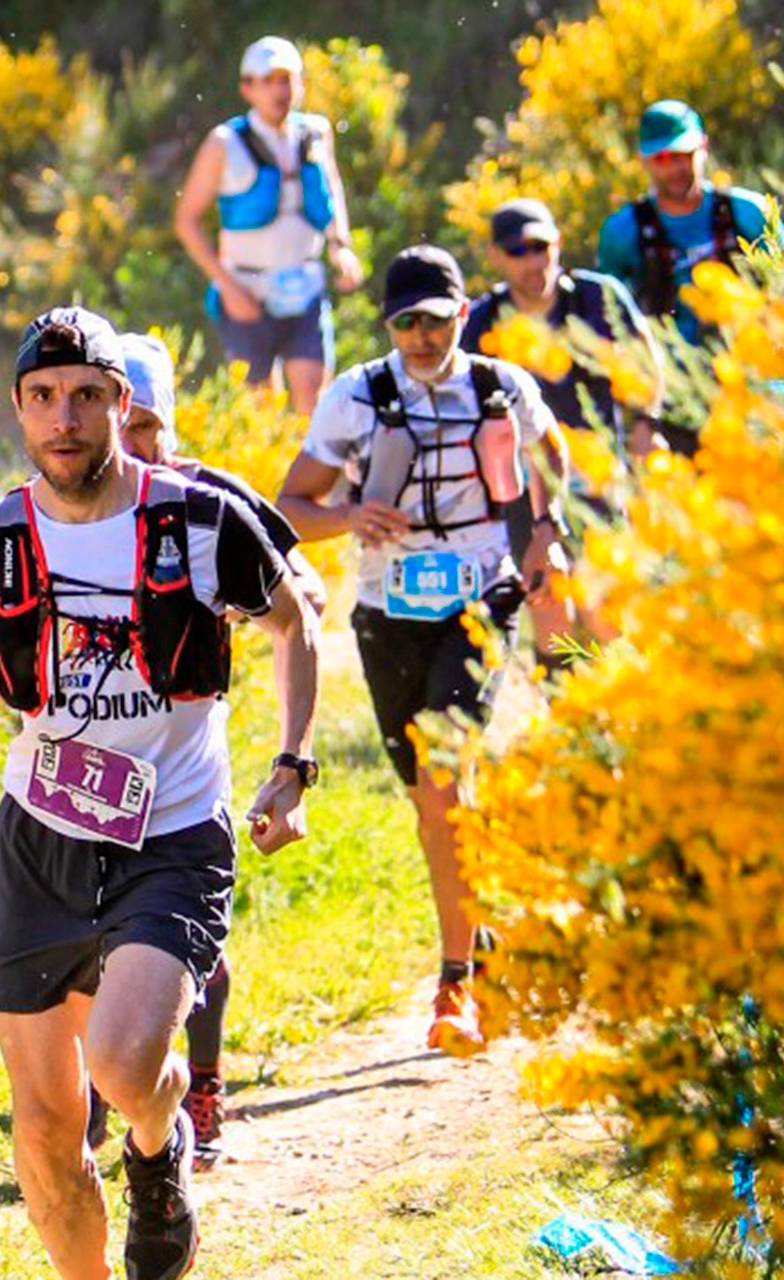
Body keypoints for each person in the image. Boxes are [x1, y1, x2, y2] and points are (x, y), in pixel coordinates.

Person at [0, 306, 320, 1280]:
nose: (65, 418)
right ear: (19, 407)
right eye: (44, 397)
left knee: (125, 1064)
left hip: (171, 833)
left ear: (120, 402)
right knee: (47, 1124)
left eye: (86, 395)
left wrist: (291, 765)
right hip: (39, 839)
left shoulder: (200, 520)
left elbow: (295, 624)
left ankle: (157, 1141)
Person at [276, 247, 564, 1057]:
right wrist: (350, 517)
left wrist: (545, 531)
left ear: (462, 314)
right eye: (406, 323)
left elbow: (551, 452)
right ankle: (484, 933)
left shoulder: (501, 388)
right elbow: (290, 505)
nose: (422, 336)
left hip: (480, 600)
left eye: (436, 320)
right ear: (389, 326)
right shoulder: (356, 396)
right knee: (428, 799)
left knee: (442, 779)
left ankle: (454, 983)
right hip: (388, 612)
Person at [109, 331, 327, 1168]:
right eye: (121, 424)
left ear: (167, 424)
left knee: (188, 933)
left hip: (187, 747)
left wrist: (249, 602)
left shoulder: (210, 497)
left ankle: (200, 1081)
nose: (131, 445)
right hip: (93, 748)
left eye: (146, 427)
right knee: (96, 937)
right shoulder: (64, 495)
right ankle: (108, 1098)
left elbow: (303, 592)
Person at [462, 198, 661, 675]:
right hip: (522, 486)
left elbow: (647, 366)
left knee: (605, 607)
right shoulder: (482, 322)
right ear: (495, 256)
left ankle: (617, 703)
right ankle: (565, 709)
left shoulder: (597, 298)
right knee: (549, 602)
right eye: (518, 251)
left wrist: (645, 426)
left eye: (541, 247)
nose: (533, 261)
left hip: (595, 475)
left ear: (558, 245)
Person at [174, 36, 364, 413]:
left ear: (301, 83)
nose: (280, 90)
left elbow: (332, 189)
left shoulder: (315, 133)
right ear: (247, 88)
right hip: (246, 290)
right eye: (268, 81)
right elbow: (187, 221)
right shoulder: (224, 143)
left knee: (314, 401)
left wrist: (340, 246)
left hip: (305, 286)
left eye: (287, 79)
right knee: (261, 408)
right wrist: (227, 286)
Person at [596, 99, 784, 453]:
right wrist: (642, 417)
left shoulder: (749, 214)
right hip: (673, 401)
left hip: (756, 391)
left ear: (703, 146)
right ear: (644, 161)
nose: (675, 167)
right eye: (662, 158)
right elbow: (609, 324)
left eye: (683, 154)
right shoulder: (623, 232)